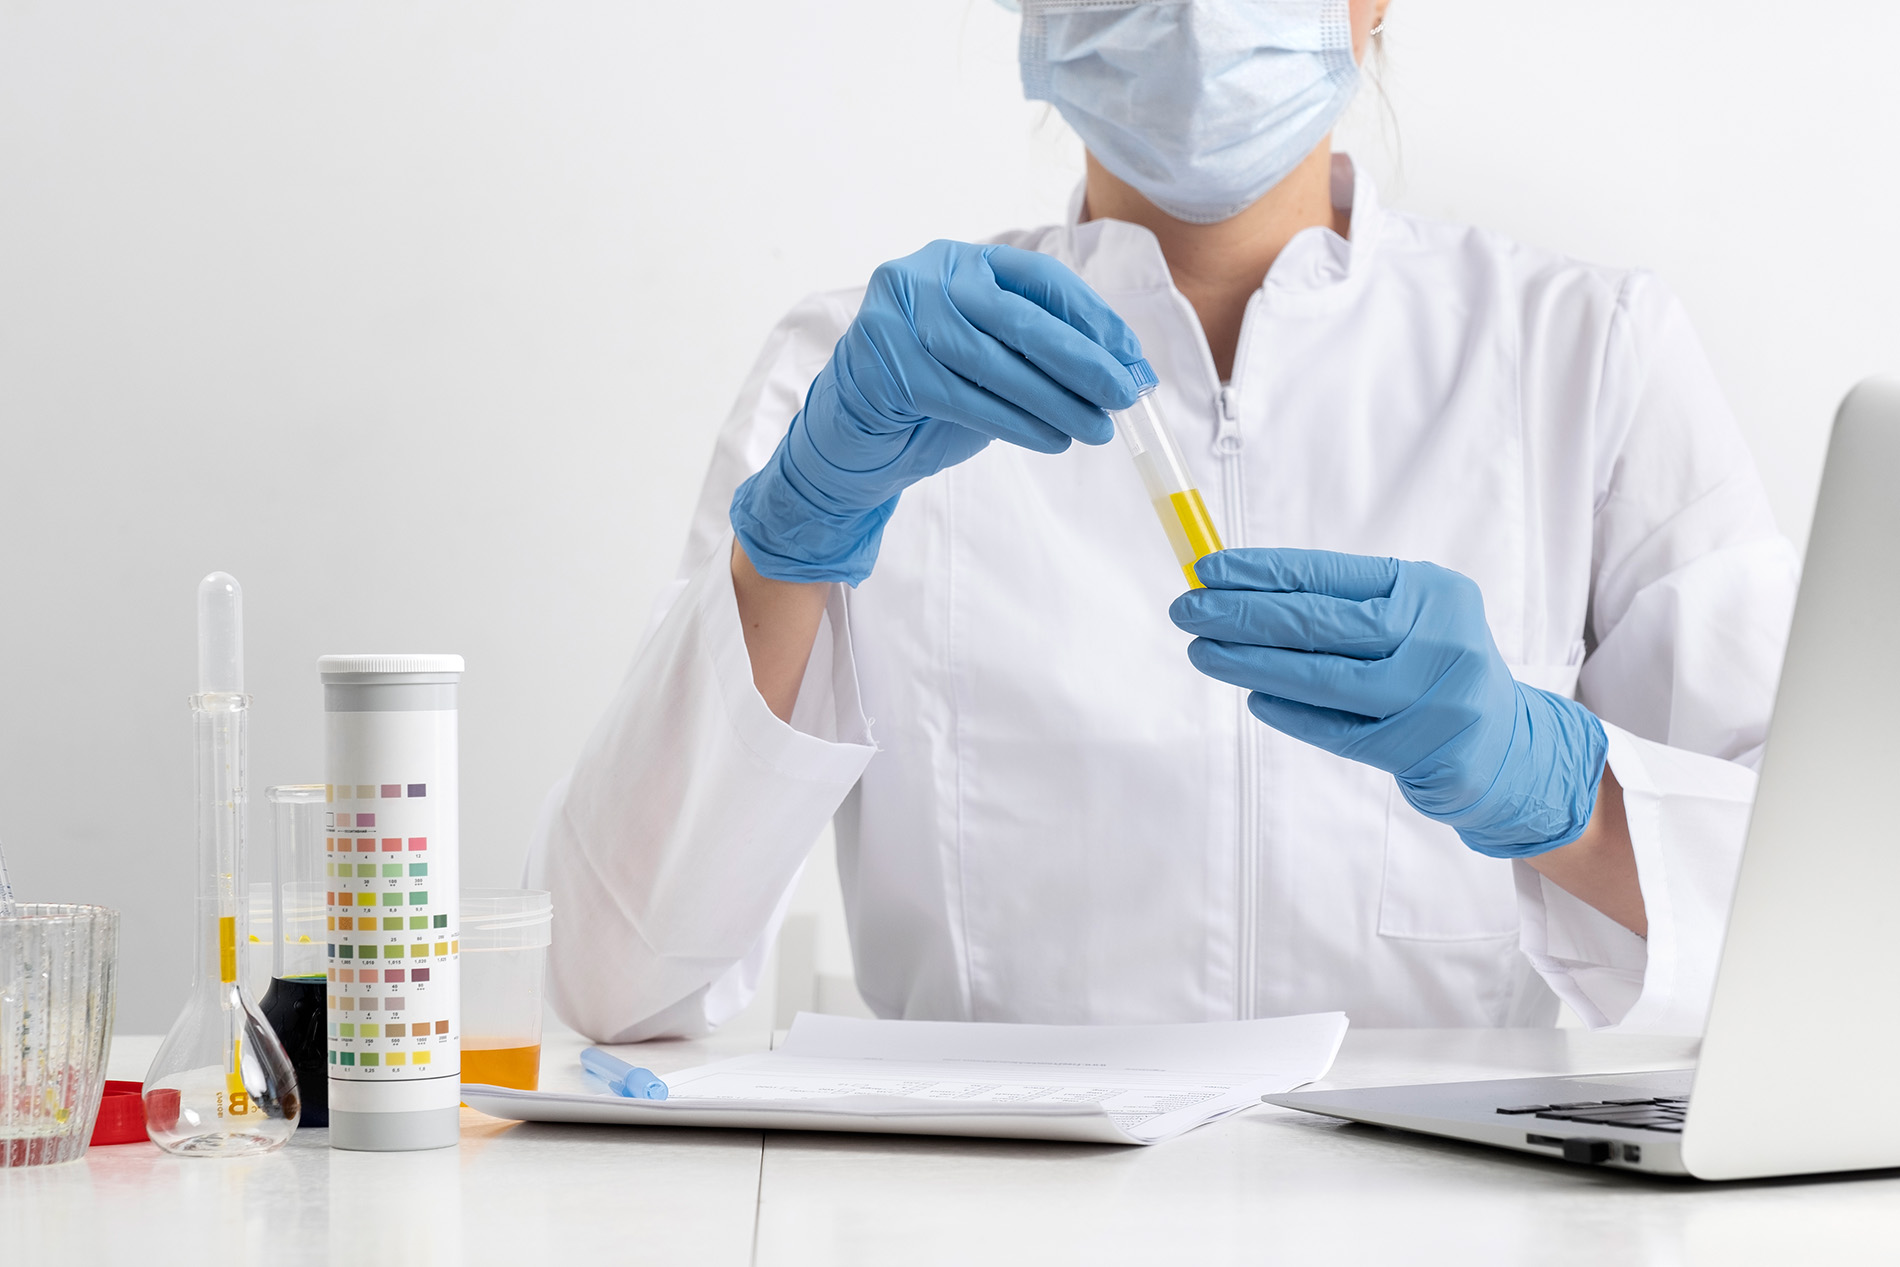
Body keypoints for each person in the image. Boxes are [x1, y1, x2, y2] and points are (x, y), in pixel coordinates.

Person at [524, 0, 1797, 1041]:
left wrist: (1558, 785)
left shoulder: (1585, 357)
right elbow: (610, 977)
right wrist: (789, 541)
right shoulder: (861, 382)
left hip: (1441, 1225)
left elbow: (1835, 935)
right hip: (981, 1232)